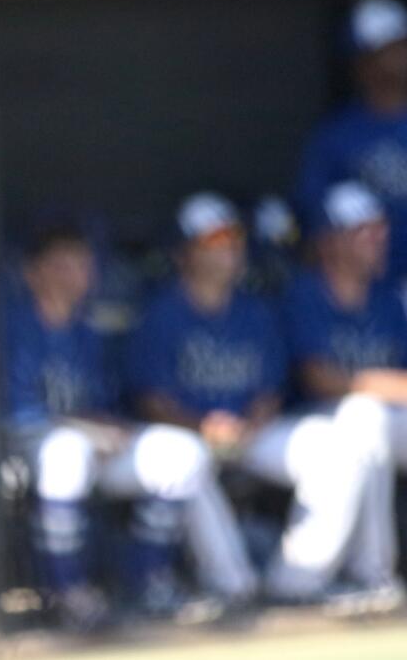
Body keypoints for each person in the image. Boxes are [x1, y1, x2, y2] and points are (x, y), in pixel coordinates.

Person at [129, 192, 390, 610]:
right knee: (183, 459)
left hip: (251, 433)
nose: (229, 251)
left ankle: (297, 580)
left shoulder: (256, 312)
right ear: (185, 253)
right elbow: (150, 398)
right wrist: (201, 426)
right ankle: (232, 584)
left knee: (341, 450)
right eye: (214, 242)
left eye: (233, 241)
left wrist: (250, 424)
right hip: (191, 434)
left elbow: (271, 388)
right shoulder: (162, 315)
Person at [3, 223, 255, 632]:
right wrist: (88, 429)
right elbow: (16, 411)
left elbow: (107, 404)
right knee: (66, 451)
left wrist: (108, 429)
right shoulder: (13, 326)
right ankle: (68, 592)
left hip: (94, 444)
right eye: (63, 263)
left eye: (83, 263)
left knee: (182, 454)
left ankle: (148, 580)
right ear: (34, 271)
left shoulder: (89, 331)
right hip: (29, 447)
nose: (77, 273)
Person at [283, 180, 407, 603]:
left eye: (379, 229)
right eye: (364, 232)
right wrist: (405, 387)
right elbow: (320, 378)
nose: (378, 240)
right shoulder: (305, 292)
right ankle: (371, 573)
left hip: (388, 417)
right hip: (312, 421)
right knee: (363, 415)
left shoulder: (386, 295)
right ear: (331, 242)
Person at [295, 0, 407, 358]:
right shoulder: (337, 139)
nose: (395, 59)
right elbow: (316, 231)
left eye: (400, 46)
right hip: (379, 296)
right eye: (381, 51)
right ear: (360, 64)